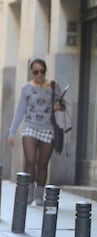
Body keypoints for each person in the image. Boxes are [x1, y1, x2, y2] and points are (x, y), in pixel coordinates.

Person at [8, 58, 65, 206]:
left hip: (48, 128)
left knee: (43, 164)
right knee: (30, 160)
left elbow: (62, 105)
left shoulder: (54, 86)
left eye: (42, 71)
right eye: (36, 72)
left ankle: (40, 195)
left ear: (45, 71)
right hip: (30, 127)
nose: (39, 74)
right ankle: (29, 193)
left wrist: (59, 106)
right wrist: (12, 132)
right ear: (32, 72)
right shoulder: (26, 88)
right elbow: (20, 110)